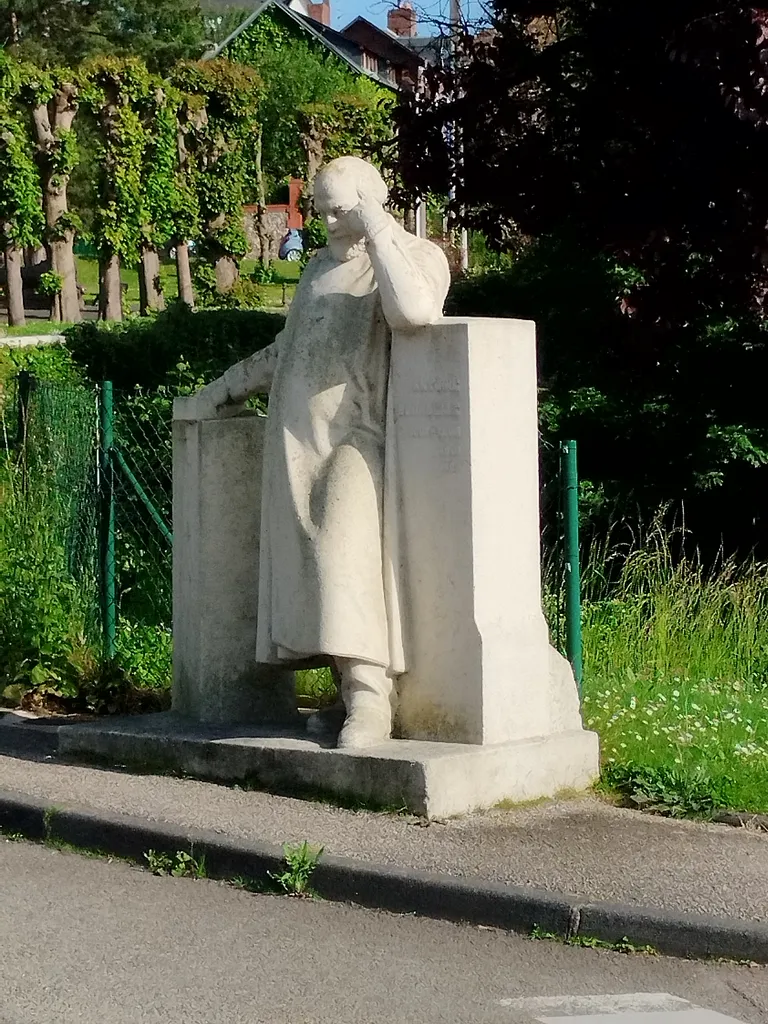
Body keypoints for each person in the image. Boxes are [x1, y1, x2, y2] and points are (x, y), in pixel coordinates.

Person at [190, 156, 450, 748]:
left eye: (340, 209)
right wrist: (219, 392)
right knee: (311, 564)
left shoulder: (414, 257)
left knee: (341, 549)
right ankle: (345, 692)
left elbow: (414, 312)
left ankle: (370, 699)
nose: (328, 220)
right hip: (296, 439)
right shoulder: (314, 270)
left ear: (369, 200)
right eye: (323, 210)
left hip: (360, 436)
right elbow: (287, 350)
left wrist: (379, 228)